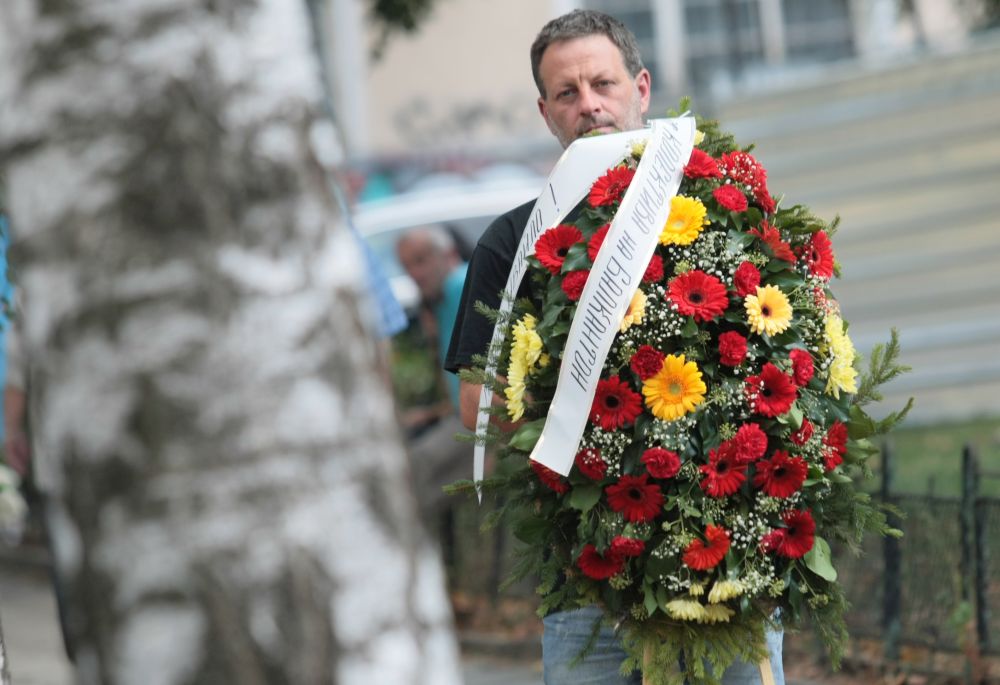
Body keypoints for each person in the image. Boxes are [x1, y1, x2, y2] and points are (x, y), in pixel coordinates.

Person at [444, 10, 784, 684]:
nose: (589, 105)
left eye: (602, 83)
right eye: (566, 94)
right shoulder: (512, 244)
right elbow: (477, 407)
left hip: (726, 557)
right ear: (545, 112)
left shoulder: (718, 207)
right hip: (587, 574)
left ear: (642, 89)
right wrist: (586, 398)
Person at [396, 227, 471, 528]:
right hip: (464, 418)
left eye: (421, 260)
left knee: (411, 471)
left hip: (482, 425)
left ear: (449, 254)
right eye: (407, 267)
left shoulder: (458, 284)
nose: (415, 273)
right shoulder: (441, 298)